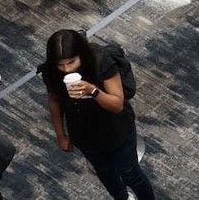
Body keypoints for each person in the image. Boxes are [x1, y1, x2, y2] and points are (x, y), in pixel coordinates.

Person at [40, 29, 154, 200]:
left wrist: (92, 91)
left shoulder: (100, 60)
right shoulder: (51, 70)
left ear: (82, 54)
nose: (66, 69)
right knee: (106, 175)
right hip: (84, 134)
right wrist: (61, 135)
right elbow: (54, 101)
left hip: (116, 130)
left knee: (130, 173)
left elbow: (117, 104)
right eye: (60, 65)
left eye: (72, 62)